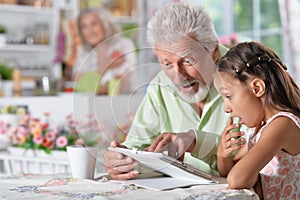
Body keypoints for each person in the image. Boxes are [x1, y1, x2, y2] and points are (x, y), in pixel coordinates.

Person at [103, 2, 242, 180]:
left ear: (213, 51)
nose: (178, 76)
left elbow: (256, 149)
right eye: (167, 63)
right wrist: (123, 162)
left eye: (188, 61)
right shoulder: (159, 86)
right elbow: (137, 148)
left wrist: (196, 141)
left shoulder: (245, 78)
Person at [214, 41, 300, 199]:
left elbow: (237, 179)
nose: (227, 108)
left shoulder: (282, 126)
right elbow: (228, 173)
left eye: (228, 96)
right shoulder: (261, 129)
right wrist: (222, 153)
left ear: (257, 88)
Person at [73, 7, 136, 94]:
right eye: (84, 26)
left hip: (123, 102)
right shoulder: (83, 50)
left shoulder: (123, 45)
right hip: (91, 103)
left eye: (94, 24)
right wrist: (105, 66)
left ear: (105, 24)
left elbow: (125, 82)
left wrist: (92, 81)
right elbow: (79, 85)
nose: (90, 31)